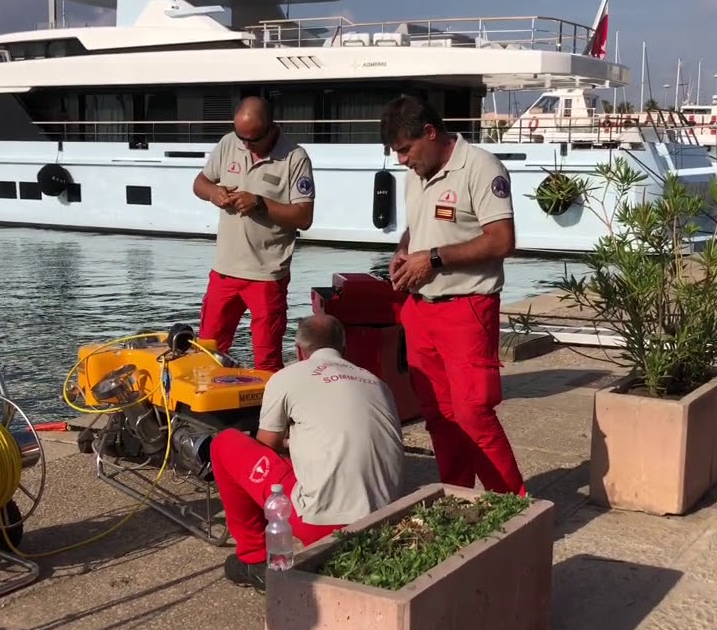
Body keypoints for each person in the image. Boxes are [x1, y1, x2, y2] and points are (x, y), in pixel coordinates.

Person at [380, 94, 527, 497]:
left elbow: (502, 241)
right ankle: (456, 494)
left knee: (472, 413)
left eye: (405, 150)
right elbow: (418, 227)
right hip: (421, 309)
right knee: (439, 416)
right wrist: (404, 252)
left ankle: (511, 502)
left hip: (466, 308)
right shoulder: (417, 174)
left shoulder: (480, 167)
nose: (402, 160)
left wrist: (434, 259)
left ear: (430, 133)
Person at [209, 314, 406, 591]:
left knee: (225, 444)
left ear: (299, 350)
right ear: (344, 348)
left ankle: (253, 558)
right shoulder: (377, 382)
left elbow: (266, 447)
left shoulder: (287, 377)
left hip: (322, 525)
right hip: (384, 519)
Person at [192, 96, 316, 372]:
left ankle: (268, 414)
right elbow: (200, 183)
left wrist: (261, 203)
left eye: (254, 139)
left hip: (266, 275)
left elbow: (304, 217)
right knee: (207, 354)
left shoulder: (295, 158)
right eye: (242, 137)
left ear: (272, 127)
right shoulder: (228, 143)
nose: (246, 145)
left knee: (267, 360)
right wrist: (214, 192)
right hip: (224, 270)